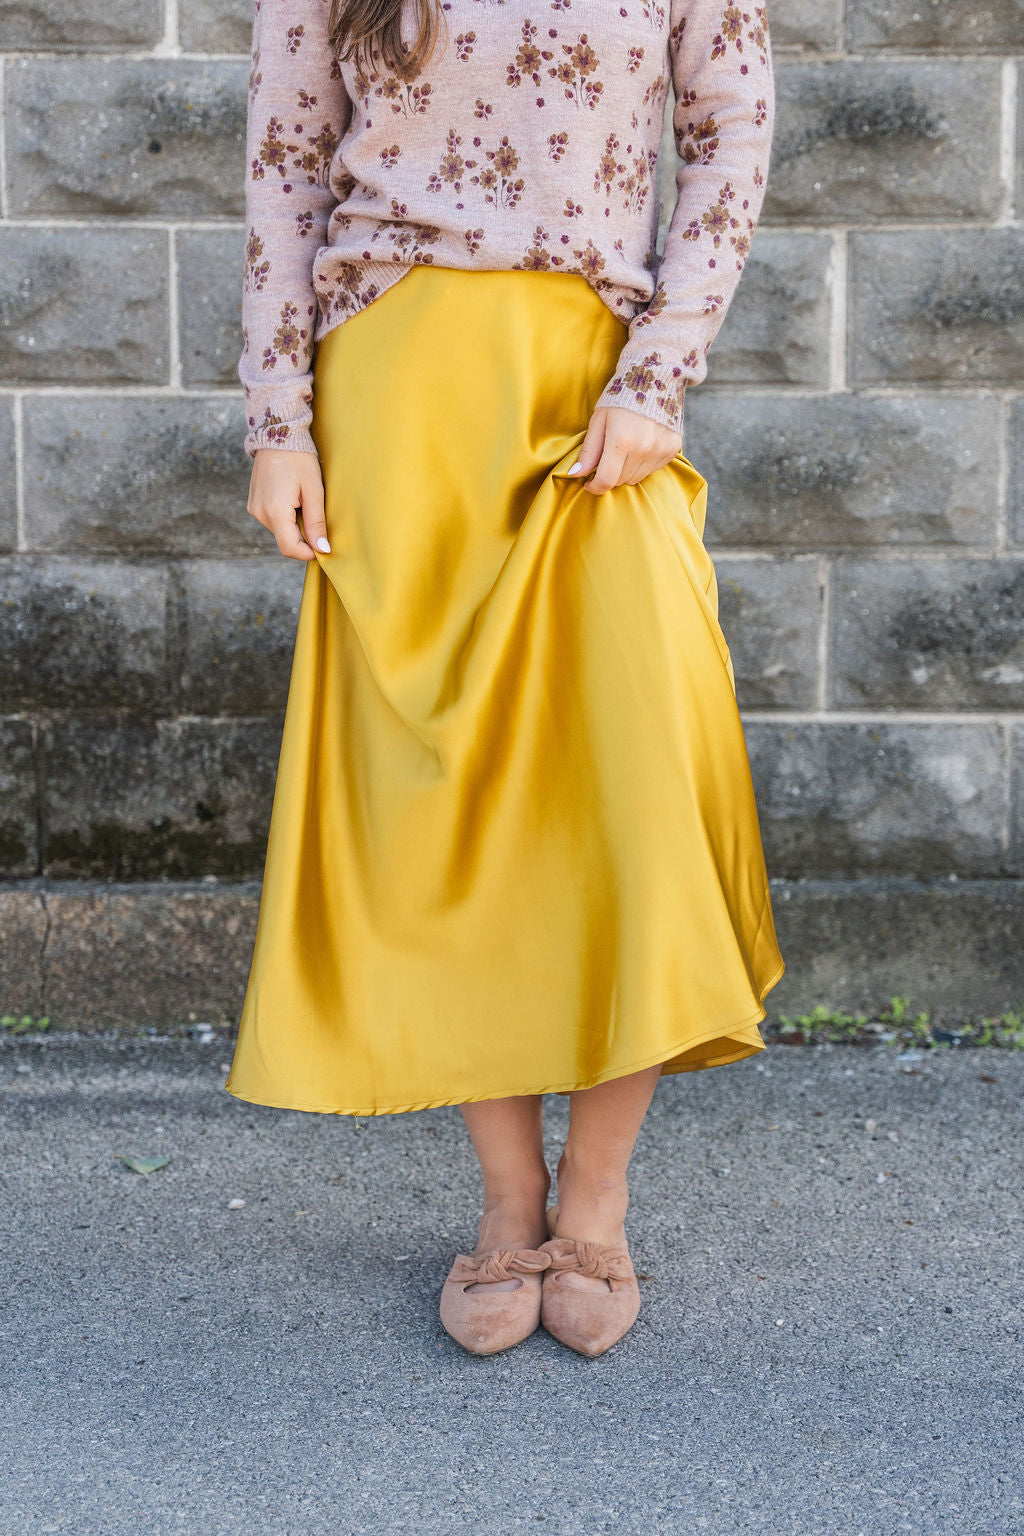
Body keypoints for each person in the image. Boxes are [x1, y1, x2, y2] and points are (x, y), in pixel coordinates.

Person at [225, 0, 784, 1359]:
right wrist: (277, 421)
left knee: (632, 795)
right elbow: (286, 165)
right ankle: (508, 1202)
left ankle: (597, 1200)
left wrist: (661, 370)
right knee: (452, 811)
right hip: (399, 396)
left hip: (594, 389)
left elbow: (732, 131)